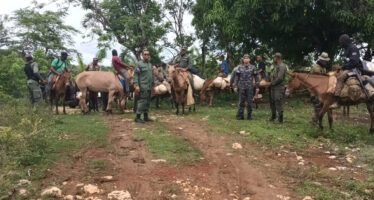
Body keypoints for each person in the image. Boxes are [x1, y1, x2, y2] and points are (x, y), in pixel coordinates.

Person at [332, 34, 363, 108]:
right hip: (348, 68)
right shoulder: (346, 49)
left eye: (341, 41)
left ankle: (337, 101)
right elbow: (348, 62)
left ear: (345, 41)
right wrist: (341, 67)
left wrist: (343, 67)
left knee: (340, 78)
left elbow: (354, 62)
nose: (340, 43)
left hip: (355, 69)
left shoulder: (353, 48)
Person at [233, 54, 260, 120]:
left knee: (250, 102)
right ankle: (240, 116)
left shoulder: (253, 67)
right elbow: (236, 78)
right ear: (243, 60)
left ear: (249, 59)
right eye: (245, 58)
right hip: (241, 87)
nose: (246, 59)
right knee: (241, 102)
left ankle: (249, 116)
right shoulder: (239, 67)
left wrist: (257, 87)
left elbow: (256, 78)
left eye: (247, 58)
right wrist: (235, 86)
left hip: (249, 88)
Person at [134, 50, 155, 123]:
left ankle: (146, 117)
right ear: (142, 55)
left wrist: (153, 86)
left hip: (149, 87)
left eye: (148, 54)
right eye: (145, 54)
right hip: (142, 86)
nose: (146, 55)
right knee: (142, 101)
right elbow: (136, 75)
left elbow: (152, 76)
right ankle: (137, 117)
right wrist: (136, 85)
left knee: (147, 102)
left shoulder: (150, 65)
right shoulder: (139, 64)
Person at [310, 52, 330, 122]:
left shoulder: (323, 68)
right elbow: (318, 80)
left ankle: (315, 119)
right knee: (317, 105)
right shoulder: (316, 68)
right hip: (315, 90)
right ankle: (314, 120)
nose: (326, 62)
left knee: (320, 106)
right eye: (325, 61)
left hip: (320, 90)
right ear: (321, 60)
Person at [269, 53, 287, 123]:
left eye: (274, 58)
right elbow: (273, 76)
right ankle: (273, 116)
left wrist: (272, 83)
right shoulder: (276, 66)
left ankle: (280, 119)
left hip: (279, 87)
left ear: (277, 58)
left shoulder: (282, 66)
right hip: (274, 86)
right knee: (272, 101)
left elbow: (280, 78)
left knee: (277, 101)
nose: (273, 59)